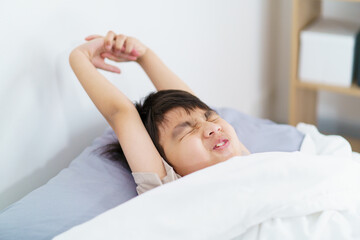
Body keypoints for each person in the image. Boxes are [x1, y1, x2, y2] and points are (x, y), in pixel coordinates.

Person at [69, 31, 251, 194]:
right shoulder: (168, 187)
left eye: (211, 117)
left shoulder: (244, 158)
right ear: (164, 162)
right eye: (188, 131)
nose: (212, 128)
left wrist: (144, 55)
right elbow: (121, 113)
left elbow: (191, 101)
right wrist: (80, 56)